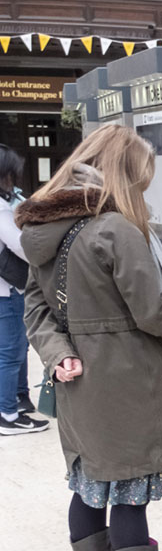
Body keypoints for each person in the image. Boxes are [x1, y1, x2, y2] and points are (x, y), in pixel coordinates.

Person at [16, 124, 162, 551]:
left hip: (80, 389)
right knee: (129, 500)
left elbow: (36, 308)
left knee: (88, 489)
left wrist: (58, 353)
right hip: (128, 386)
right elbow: (153, 310)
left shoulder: (45, 230)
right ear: (123, 174)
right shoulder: (114, 228)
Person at [0, 144, 48, 435]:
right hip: (7, 291)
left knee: (14, 347)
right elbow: (23, 247)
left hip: (7, 291)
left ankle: (18, 400)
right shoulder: (1, 209)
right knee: (11, 352)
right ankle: (8, 414)